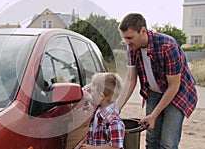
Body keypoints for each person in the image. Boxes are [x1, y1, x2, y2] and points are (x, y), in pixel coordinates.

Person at [116, 13, 198, 149]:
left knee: (167, 142)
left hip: (177, 93)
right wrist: (117, 107)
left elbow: (174, 85)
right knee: (151, 139)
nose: (127, 42)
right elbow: (131, 79)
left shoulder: (168, 45)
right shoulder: (131, 48)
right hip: (153, 92)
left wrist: (153, 115)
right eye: (125, 39)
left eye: (130, 38)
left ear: (143, 31)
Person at [81, 72, 125, 149]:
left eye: (93, 91)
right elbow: (87, 96)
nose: (91, 93)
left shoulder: (114, 121)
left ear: (102, 96)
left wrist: (92, 148)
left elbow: (115, 147)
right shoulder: (99, 108)